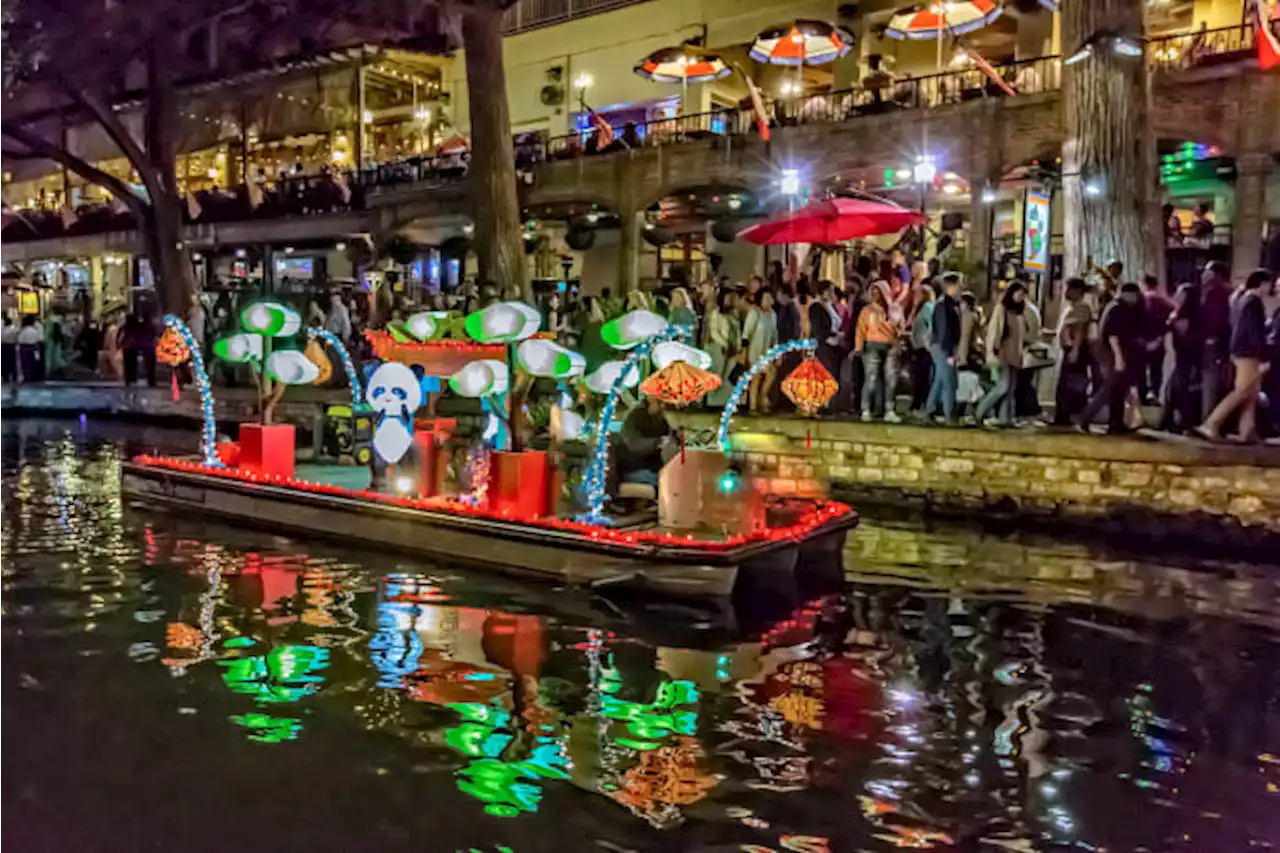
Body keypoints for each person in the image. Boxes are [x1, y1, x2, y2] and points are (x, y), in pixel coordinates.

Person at [1195, 268, 1273, 442]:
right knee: (1243, 390)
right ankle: (1211, 424)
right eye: (1269, 284)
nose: (1271, 288)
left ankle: (1248, 431)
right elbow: (1254, 332)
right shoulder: (1254, 302)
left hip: (1239, 350)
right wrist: (1264, 356)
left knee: (1251, 392)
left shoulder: (1240, 299)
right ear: (1262, 283)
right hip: (1249, 352)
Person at [1077, 282, 1145, 434]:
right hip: (1113, 354)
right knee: (1109, 388)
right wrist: (1119, 358)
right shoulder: (1118, 309)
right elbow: (1113, 335)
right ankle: (1086, 417)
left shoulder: (1117, 307)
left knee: (1117, 390)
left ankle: (1116, 423)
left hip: (1114, 354)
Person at [975, 281, 1030, 427]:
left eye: (1023, 295)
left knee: (1010, 389)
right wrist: (992, 350)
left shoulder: (1020, 312)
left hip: (1014, 354)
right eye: (1019, 293)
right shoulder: (1002, 309)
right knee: (1003, 386)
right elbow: (994, 331)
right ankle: (980, 412)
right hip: (1002, 353)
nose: (1021, 297)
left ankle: (1006, 418)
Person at [1157, 282, 1202, 433]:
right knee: (1174, 389)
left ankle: (1183, 423)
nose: (1177, 296)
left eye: (1181, 294)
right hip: (1178, 353)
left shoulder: (1187, 313)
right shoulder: (1179, 311)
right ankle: (1170, 422)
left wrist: (1171, 323)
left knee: (1179, 389)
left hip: (1183, 355)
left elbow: (1183, 334)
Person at [1053, 278, 1094, 426]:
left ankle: (1073, 414)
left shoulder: (1081, 308)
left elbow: (1079, 330)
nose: (1066, 292)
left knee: (1072, 383)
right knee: (1065, 384)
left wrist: (1075, 350)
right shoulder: (1072, 307)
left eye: (1069, 289)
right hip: (1070, 350)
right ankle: (1063, 415)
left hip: (1075, 350)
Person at [855, 281, 898, 421]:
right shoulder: (866, 311)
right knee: (871, 379)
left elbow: (899, 328)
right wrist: (859, 348)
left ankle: (888, 409)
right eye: (873, 293)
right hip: (871, 346)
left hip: (889, 346)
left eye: (879, 293)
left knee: (889, 379)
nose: (876, 296)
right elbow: (860, 330)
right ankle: (866, 409)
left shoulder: (893, 310)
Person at [923, 273, 961, 423]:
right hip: (943, 347)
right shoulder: (945, 306)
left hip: (940, 346)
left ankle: (930, 409)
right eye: (959, 285)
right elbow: (945, 330)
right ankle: (949, 414)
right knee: (949, 381)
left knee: (940, 379)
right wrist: (950, 352)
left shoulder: (946, 304)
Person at [616, 395, 671, 489]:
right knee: (665, 482)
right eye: (661, 402)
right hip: (634, 468)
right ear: (651, 398)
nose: (664, 406)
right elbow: (634, 443)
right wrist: (658, 442)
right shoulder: (635, 416)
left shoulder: (662, 418)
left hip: (654, 467)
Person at [1200, 260, 1233, 417]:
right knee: (1215, 380)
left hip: (1214, 342)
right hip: (1219, 343)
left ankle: (1208, 417)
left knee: (1211, 380)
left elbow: (1216, 319)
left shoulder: (1217, 292)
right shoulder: (1223, 292)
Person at [743, 290, 779, 414]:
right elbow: (747, 333)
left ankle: (762, 396)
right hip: (755, 349)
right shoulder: (754, 313)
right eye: (766, 298)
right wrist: (744, 351)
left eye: (770, 298)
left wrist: (776, 352)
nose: (769, 301)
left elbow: (775, 334)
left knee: (771, 373)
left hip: (767, 351)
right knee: (756, 377)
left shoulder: (773, 314)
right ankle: (753, 406)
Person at [1141, 274, 1174, 404]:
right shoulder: (1163, 300)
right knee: (1156, 372)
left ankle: (1143, 401)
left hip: (1141, 342)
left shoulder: (1141, 299)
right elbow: (1172, 317)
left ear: (1143, 284)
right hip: (1158, 342)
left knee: (1140, 374)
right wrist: (1160, 337)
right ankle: (1155, 399)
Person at [705, 288, 739, 407]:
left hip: (731, 348)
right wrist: (724, 344)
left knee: (727, 374)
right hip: (718, 347)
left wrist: (736, 346)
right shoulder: (716, 314)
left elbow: (736, 332)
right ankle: (712, 400)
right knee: (717, 373)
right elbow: (714, 331)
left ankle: (723, 400)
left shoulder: (734, 315)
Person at [907, 281, 936, 416]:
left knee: (923, 378)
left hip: (924, 348)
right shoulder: (919, 309)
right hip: (918, 347)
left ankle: (921, 405)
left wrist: (927, 342)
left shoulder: (927, 308)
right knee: (918, 377)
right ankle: (917, 405)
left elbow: (931, 326)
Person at [808, 279, 843, 381]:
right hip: (823, 347)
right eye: (830, 291)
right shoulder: (816, 307)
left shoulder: (830, 306)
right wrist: (830, 337)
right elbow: (817, 329)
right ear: (823, 292)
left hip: (834, 346)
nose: (832, 294)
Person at [16, 315, 42, 382]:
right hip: (33, 347)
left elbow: (20, 340)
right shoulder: (35, 330)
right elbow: (38, 339)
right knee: (32, 363)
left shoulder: (23, 330)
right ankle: (32, 377)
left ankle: (26, 377)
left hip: (24, 348)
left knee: (25, 364)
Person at [0, 315, 15, 383]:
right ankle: (12, 376)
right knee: (11, 362)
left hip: (3, 346)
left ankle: (4, 376)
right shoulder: (13, 329)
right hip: (11, 346)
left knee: (3, 362)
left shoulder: (2, 329)